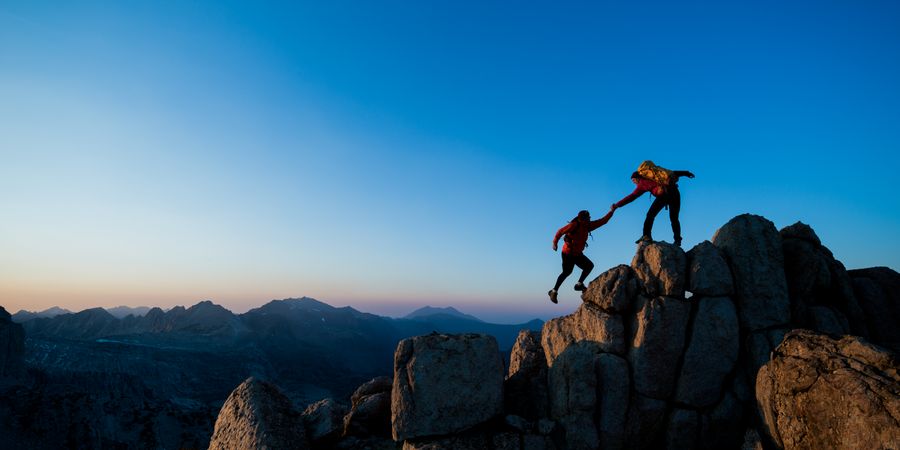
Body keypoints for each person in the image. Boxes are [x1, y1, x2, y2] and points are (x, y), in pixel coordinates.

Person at [613, 161, 694, 247]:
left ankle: (646, 236)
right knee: (674, 219)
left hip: (664, 195)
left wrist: (617, 205)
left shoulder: (642, 183)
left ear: (637, 178)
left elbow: (632, 196)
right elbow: (672, 173)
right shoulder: (655, 177)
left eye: (633, 180)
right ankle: (677, 240)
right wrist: (686, 173)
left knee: (650, 215)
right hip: (675, 193)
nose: (634, 182)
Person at [548, 207, 615, 304]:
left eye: (589, 218)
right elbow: (560, 232)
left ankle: (579, 285)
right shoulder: (574, 225)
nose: (589, 220)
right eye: (587, 218)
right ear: (581, 219)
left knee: (589, 266)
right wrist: (555, 243)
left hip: (577, 253)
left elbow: (603, 221)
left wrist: (612, 211)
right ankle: (553, 292)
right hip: (568, 253)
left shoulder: (588, 226)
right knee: (567, 272)